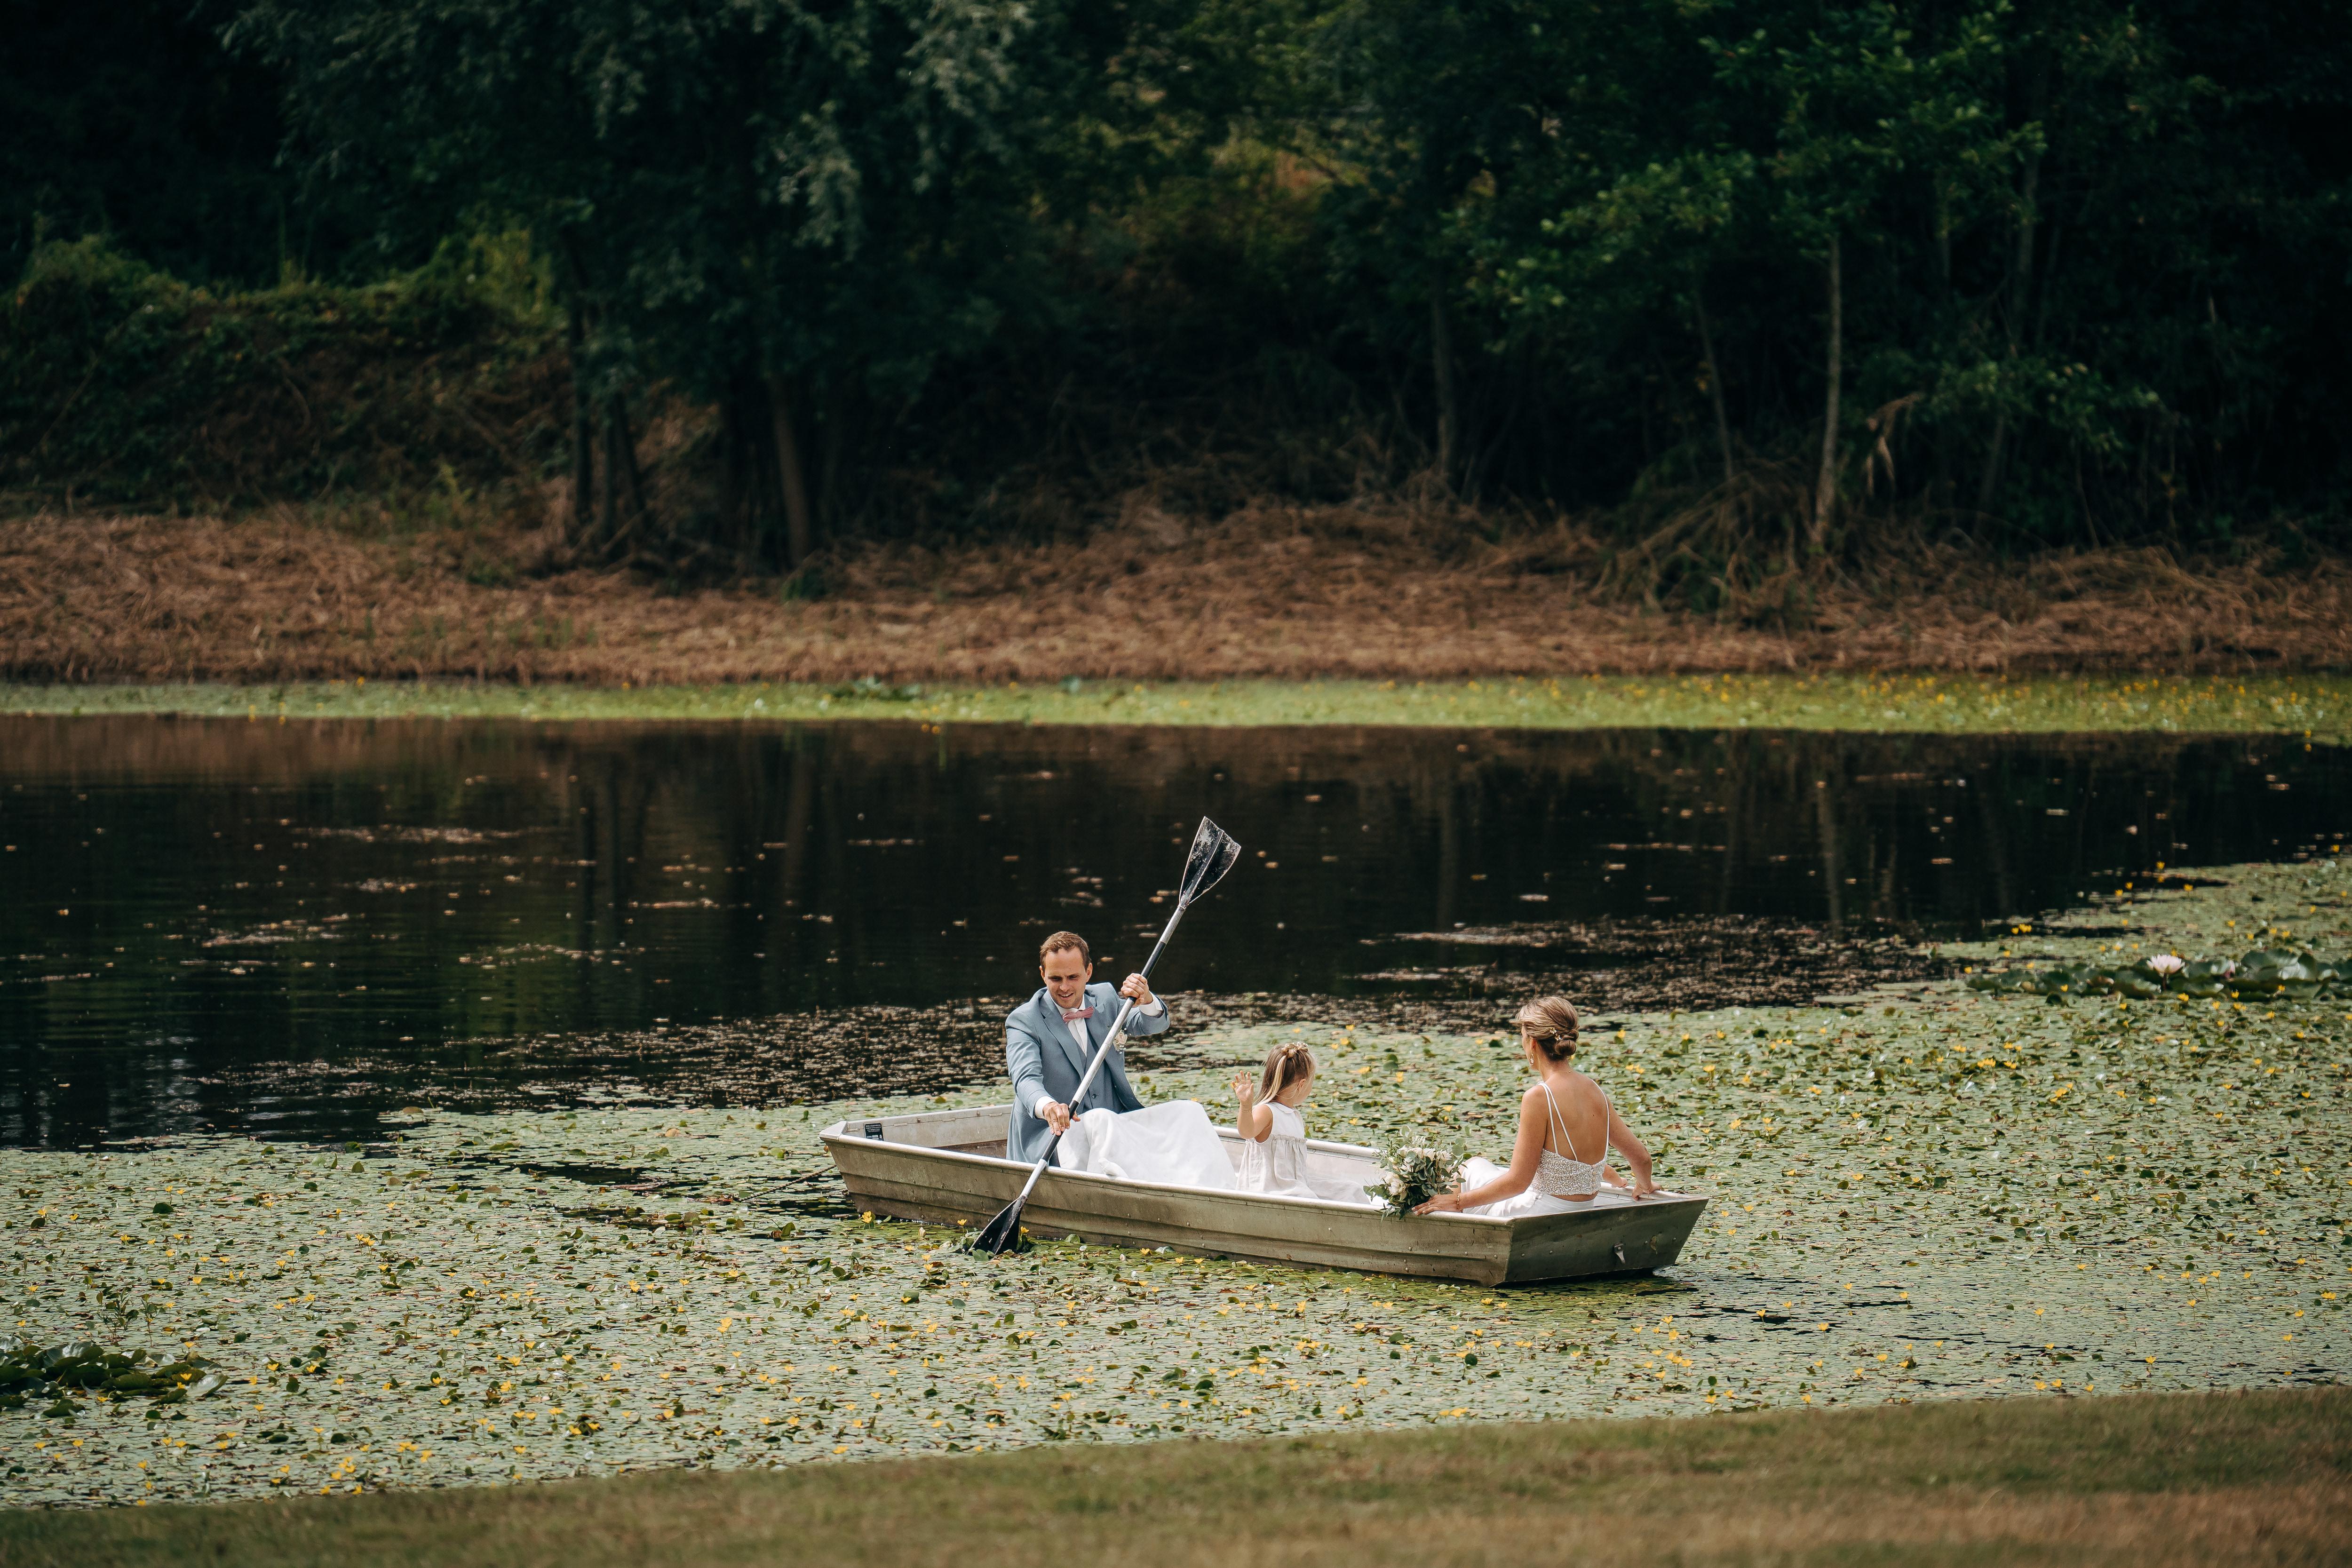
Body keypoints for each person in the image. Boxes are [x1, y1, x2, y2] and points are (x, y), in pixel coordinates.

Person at [1414, 995, 1660, 1217]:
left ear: (1532, 1043)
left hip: (1538, 1213)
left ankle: (1447, 1223)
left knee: (1463, 1167)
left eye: (1522, 1036)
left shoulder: (1539, 1097)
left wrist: (1457, 1202)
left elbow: (1517, 1183)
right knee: (1476, 1166)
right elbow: (1642, 1158)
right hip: (1581, 1209)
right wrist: (1644, 1185)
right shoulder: (1595, 1091)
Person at [1004, 930, 1168, 1166]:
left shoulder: (1106, 998)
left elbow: (1151, 1023)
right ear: (1043, 975)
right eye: (1056, 979)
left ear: (1088, 972)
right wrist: (1048, 1106)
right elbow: (1025, 1079)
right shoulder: (1024, 1020)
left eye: (1073, 977)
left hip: (1113, 1127)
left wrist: (1147, 1000)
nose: (1065, 988)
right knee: (1100, 1121)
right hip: (1051, 1142)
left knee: (1186, 1114)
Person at [1229, 1042, 1377, 1204]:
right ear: (1301, 1085)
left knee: (1351, 1190)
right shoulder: (1267, 1111)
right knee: (1309, 1199)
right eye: (1311, 1083)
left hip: (1297, 1185)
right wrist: (1245, 1106)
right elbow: (1247, 1132)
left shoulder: (1293, 1115)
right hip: (1270, 1190)